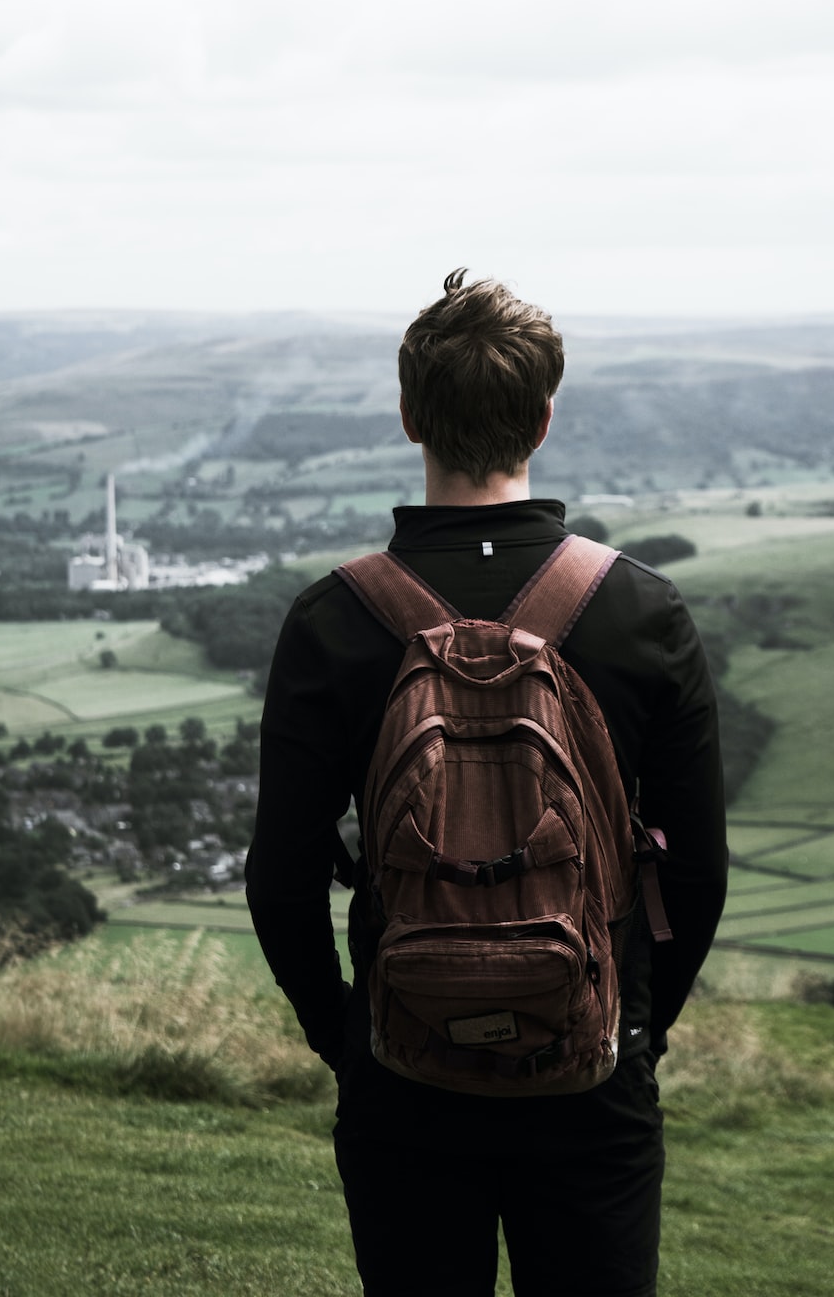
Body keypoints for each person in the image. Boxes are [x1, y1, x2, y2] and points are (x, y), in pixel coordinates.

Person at [246, 270, 728, 1297]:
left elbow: (281, 879)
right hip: (592, 1069)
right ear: (544, 417)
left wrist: (349, 1037)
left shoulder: (332, 621)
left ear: (410, 414)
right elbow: (698, 875)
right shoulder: (641, 612)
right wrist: (633, 1029)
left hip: (403, 1064)